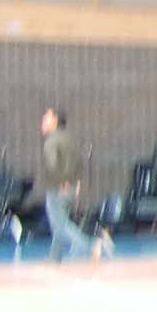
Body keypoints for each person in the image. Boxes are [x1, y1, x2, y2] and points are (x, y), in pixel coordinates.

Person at [39, 107, 110, 262]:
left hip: (58, 188)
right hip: (70, 187)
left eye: (47, 116)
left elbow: (53, 165)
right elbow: (77, 164)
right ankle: (54, 257)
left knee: (61, 225)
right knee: (60, 223)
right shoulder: (68, 139)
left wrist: (61, 182)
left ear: (55, 120)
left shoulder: (51, 141)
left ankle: (91, 246)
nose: (43, 119)